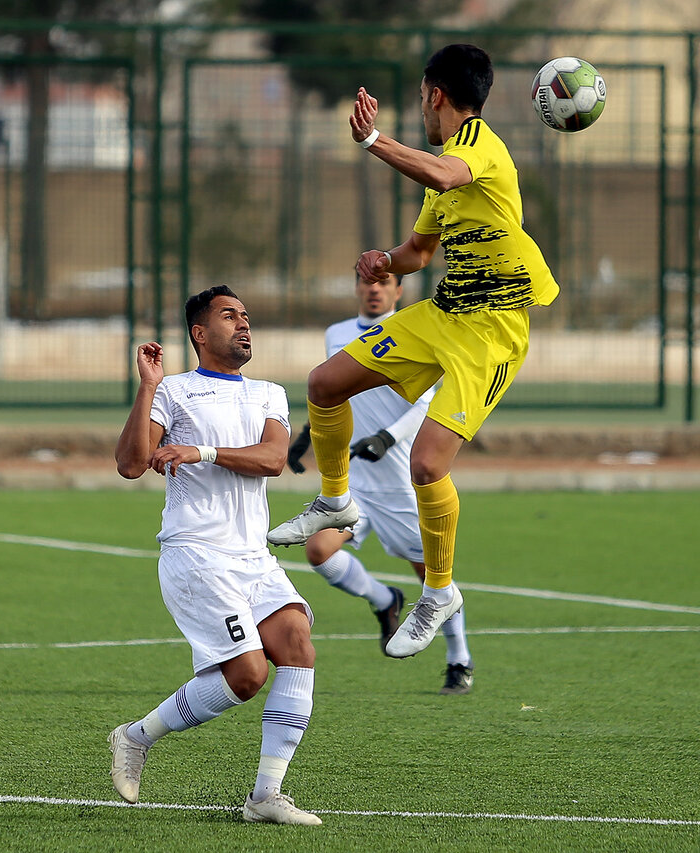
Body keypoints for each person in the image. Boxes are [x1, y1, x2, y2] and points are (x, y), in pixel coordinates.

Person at [269, 44, 560, 660]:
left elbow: (444, 174)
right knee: (325, 383)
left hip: (493, 332)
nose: (420, 109)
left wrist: (374, 139)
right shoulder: (441, 162)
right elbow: (418, 254)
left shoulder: (478, 144)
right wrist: (385, 261)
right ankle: (335, 500)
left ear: (434, 94)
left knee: (427, 465)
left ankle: (438, 592)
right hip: (442, 313)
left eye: (421, 98)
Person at [109, 285, 322, 826]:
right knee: (248, 675)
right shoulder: (173, 391)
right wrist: (148, 388)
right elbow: (131, 464)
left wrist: (199, 451)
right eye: (230, 315)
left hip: (253, 556)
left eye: (246, 316)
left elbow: (274, 459)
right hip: (197, 554)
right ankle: (136, 737)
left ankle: (265, 798)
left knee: (297, 642)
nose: (243, 323)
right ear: (200, 333)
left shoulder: (270, 394)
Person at [286, 270, 474, 694]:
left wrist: (387, 438)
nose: (375, 289)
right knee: (318, 551)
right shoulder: (336, 333)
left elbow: (426, 405)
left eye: (384, 282)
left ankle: (459, 658)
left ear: (398, 290)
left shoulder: (415, 331)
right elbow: (334, 393)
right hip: (353, 481)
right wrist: (304, 439)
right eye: (367, 282)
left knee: (433, 576)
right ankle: (384, 600)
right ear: (356, 287)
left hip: (397, 483)